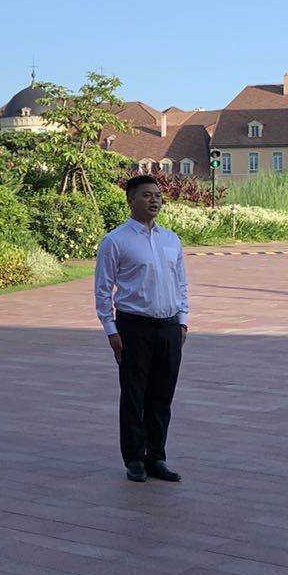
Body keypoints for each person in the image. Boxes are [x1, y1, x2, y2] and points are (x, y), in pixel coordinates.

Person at [95, 175, 188, 484]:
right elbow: (103, 289)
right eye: (146, 195)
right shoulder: (115, 241)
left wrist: (183, 320)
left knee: (162, 396)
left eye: (158, 195)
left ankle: (156, 457)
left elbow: (181, 283)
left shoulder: (171, 239)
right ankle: (135, 458)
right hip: (134, 327)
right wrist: (111, 330)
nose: (154, 200)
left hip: (169, 327)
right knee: (135, 394)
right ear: (130, 200)